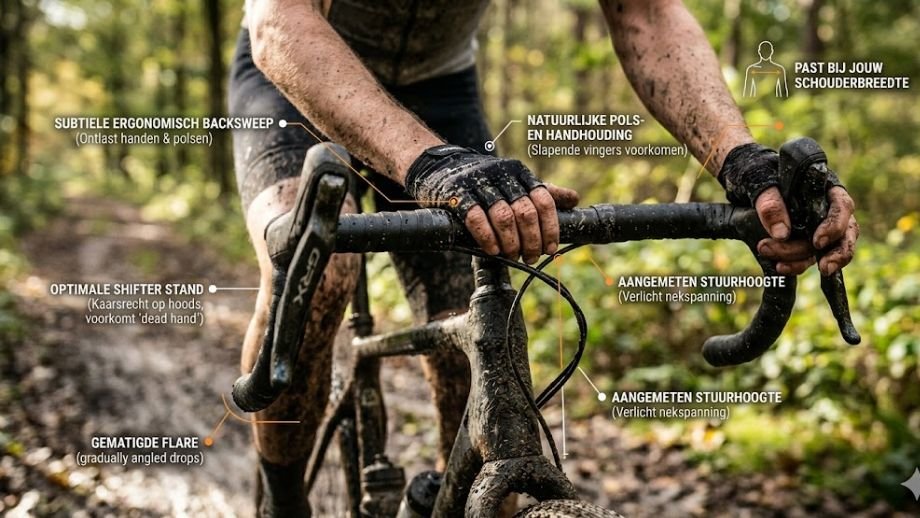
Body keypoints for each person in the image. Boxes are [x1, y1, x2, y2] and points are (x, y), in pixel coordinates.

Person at [229, 0, 859, 515]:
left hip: (437, 86)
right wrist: (429, 162)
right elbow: (280, 19)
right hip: (296, 71)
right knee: (315, 272)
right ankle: (281, 498)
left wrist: (741, 159)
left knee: (479, 333)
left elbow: (647, 13)